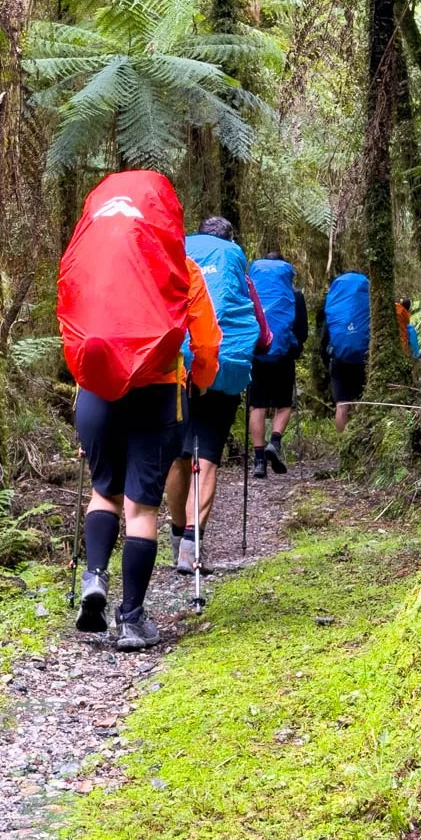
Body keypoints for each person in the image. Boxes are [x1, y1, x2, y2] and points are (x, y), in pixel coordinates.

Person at [58, 171, 219, 651]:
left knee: (102, 491)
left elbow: (71, 319)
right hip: (156, 392)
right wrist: (202, 382)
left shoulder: (85, 264)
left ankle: (94, 580)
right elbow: (207, 343)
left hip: (96, 393)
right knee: (141, 506)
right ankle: (131, 620)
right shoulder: (181, 268)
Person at [164, 216, 271, 575]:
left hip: (179, 366)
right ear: (232, 241)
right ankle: (193, 544)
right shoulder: (239, 270)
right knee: (205, 458)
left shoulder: (178, 260)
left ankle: (177, 537)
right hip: (223, 367)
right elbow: (264, 336)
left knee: (178, 457)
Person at [246, 252, 307, 478]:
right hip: (284, 355)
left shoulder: (252, 293)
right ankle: (275, 441)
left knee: (258, 406)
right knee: (283, 404)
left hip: (258, 354)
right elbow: (302, 331)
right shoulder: (294, 296)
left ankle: (259, 461)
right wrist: (295, 347)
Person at [323, 270, 370, 432]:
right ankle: (363, 441)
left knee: (342, 406)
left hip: (339, 360)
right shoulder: (366, 301)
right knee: (365, 403)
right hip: (365, 357)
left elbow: (325, 339)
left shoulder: (335, 303)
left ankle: (342, 444)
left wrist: (328, 360)